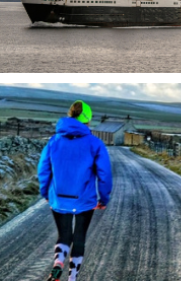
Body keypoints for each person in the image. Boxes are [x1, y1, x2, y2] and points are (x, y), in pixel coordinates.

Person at [38, 100, 113, 281]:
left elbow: (43, 169)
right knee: (79, 237)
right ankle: (72, 277)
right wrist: (103, 198)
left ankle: (58, 263)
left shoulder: (53, 141)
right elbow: (105, 174)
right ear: (87, 119)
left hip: (59, 199)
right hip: (84, 200)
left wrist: (45, 193)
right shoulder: (95, 144)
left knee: (64, 235)